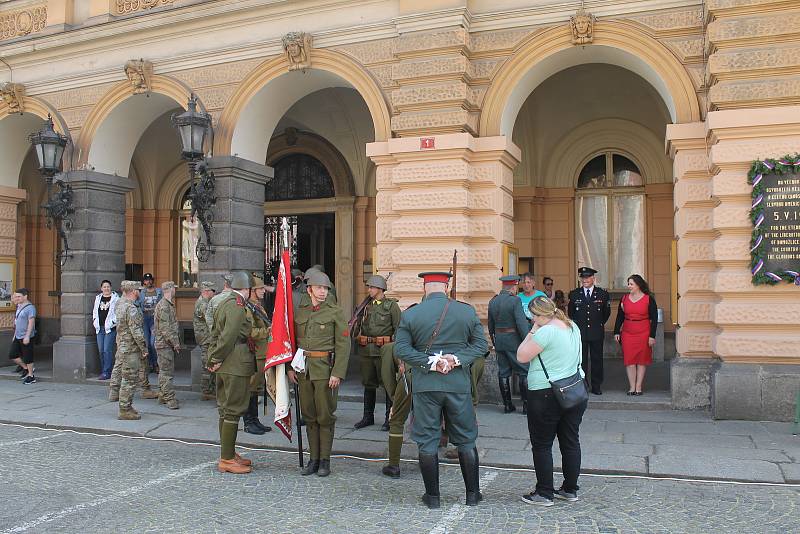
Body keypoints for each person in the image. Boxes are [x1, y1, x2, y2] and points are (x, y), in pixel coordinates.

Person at [394, 272, 488, 509]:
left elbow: (402, 350)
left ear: (425, 288)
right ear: (446, 287)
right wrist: (455, 359)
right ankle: (472, 495)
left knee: (427, 441)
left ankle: (433, 498)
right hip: (457, 384)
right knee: (466, 439)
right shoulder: (465, 311)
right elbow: (480, 345)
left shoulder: (412, 313)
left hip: (426, 385)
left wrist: (430, 363)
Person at [517, 296, 587, 507]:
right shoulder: (572, 326)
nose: (531, 319)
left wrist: (533, 330)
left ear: (538, 315)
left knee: (541, 444)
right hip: (575, 389)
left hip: (546, 393)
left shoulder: (545, 331)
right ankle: (570, 489)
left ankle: (544, 493)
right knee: (570, 441)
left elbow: (521, 355)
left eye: (533, 316)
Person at [288, 271, 350, 478]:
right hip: (303, 369)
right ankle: (313, 459)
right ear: (309, 289)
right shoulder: (301, 311)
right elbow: (293, 342)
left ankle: (325, 460)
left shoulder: (334, 311)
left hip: (325, 370)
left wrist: (337, 372)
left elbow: (343, 344)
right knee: (309, 415)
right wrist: (290, 367)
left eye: (326, 288)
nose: (323, 291)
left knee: (325, 416)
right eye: (319, 288)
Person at [207, 271, 256, 474]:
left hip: (226, 362)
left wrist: (214, 357)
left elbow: (215, 333)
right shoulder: (236, 305)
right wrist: (216, 358)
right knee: (233, 409)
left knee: (225, 409)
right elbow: (229, 336)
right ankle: (227, 459)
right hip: (235, 361)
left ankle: (228, 452)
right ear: (247, 288)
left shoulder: (224, 302)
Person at [353, 274, 400, 431]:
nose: (369, 290)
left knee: (388, 384)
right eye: (369, 287)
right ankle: (368, 417)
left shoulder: (391, 306)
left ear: (380, 289)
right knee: (368, 384)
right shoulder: (366, 306)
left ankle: (389, 418)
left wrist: (397, 353)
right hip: (367, 350)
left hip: (384, 351)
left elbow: (399, 329)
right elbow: (358, 326)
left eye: (372, 287)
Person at [488, 275, 530, 414]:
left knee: (504, 372)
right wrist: (527, 341)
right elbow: (521, 323)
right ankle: (526, 406)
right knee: (523, 371)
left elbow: (490, 325)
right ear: (513, 287)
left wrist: (495, 341)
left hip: (500, 340)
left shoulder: (493, 301)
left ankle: (507, 405)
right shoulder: (515, 301)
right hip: (514, 341)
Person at [568, 267, 610, 395]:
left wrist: (597, 324)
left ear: (593, 278)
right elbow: (571, 313)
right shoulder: (574, 294)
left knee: (597, 360)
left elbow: (606, 314)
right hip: (580, 332)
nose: (585, 280)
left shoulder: (602, 294)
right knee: (582, 360)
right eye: (583, 277)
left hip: (596, 332)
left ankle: (596, 385)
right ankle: (583, 385)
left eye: (587, 277)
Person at [614, 275, 658, 396]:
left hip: (644, 332)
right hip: (628, 332)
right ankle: (631, 386)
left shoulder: (649, 299)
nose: (629, 286)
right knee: (629, 360)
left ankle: (638, 387)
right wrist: (617, 331)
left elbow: (654, 319)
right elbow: (619, 317)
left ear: (638, 285)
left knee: (642, 360)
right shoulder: (624, 299)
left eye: (631, 284)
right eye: (628, 284)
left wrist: (652, 336)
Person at [115, 281, 149, 420]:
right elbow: (136, 332)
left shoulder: (120, 304)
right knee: (129, 379)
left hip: (123, 346)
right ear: (134, 291)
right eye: (138, 290)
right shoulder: (131, 308)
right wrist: (144, 348)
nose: (140, 292)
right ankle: (124, 409)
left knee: (127, 378)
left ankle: (127, 406)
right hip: (131, 349)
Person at [243, 274, 272, 435]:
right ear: (252, 290)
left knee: (256, 388)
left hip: (262, 352)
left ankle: (255, 419)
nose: (263, 291)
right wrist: (267, 331)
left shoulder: (257, 306)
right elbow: (250, 332)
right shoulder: (249, 308)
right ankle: (248, 422)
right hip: (256, 353)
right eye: (260, 288)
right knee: (251, 387)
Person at [154, 281, 181, 409]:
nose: (175, 291)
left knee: (164, 371)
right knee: (166, 372)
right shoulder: (164, 306)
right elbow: (165, 329)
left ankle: (162, 395)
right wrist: (175, 343)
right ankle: (169, 398)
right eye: (174, 288)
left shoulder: (167, 305)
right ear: (170, 289)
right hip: (165, 345)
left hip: (165, 344)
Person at [193, 281, 216, 400]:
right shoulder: (203, 304)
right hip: (205, 338)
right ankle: (206, 391)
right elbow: (210, 319)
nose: (214, 293)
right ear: (206, 291)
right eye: (213, 291)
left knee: (209, 364)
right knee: (207, 365)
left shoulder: (205, 302)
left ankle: (209, 389)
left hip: (206, 337)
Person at [92, 280, 119, 380]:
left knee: (107, 350)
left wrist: (112, 323)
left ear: (111, 288)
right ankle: (104, 370)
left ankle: (107, 372)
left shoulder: (116, 299)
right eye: (104, 287)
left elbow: (118, 314)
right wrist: (95, 322)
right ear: (101, 288)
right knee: (101, 350)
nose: (106, 288)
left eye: (108, 286)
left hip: (110, 329)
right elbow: (95, 312)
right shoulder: (98, 298)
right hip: (100, 328)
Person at [9, 289, 37, 384]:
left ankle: (31, 376)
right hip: (18, 336)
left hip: (26, 336)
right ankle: (25, 368)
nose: (16, 298)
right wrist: (14, 335)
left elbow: (31, 323)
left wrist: (27, 336)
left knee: (28, 357)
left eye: (19, 296)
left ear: (25, 297)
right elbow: (17, 322)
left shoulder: (30, 308)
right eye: (16, 296)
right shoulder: (19, 306)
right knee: (12, 355)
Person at [137, 273, 162, 374]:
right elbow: (137, 305)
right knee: (147, 343)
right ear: (144, 282)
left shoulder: (159, 292)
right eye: (147, 280)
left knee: (153, 343)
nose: (149, 282)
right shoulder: (141, 293)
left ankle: (157, 364)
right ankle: (151, 364)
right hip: (145, 319)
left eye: (150, 280)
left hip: (154, 319)